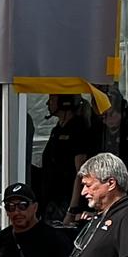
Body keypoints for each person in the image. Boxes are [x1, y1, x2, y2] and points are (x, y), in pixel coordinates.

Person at [40, 94, 93, 224]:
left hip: (66, 201)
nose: (47, 103)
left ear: (64, 102)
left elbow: (80, 172)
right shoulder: (57, 130)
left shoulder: (78, 129)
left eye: (52, 99)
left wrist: (72, 210)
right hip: (52, 200)